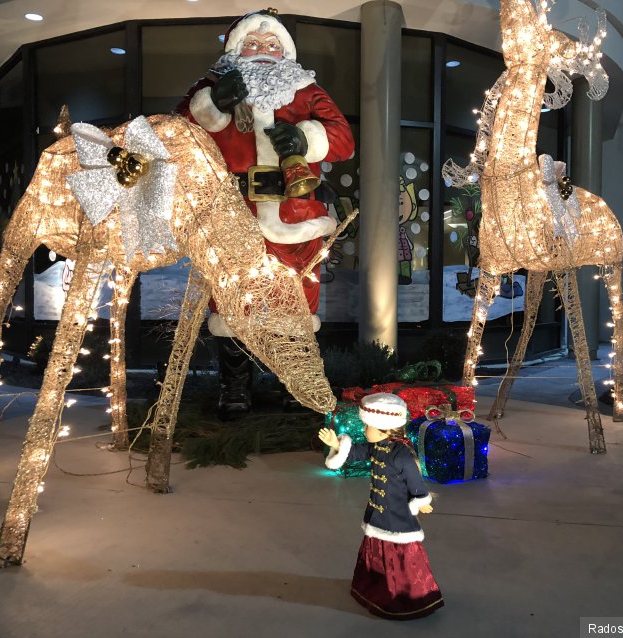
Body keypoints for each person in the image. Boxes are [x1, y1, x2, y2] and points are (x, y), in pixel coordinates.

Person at [176, 8, 354, 419]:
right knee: (232, 303)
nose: (263, 51)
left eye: (272, 45)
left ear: (285, 52)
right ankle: (235, 389)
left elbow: (344, 140)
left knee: (296, 303)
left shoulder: (306, 90)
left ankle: (297, 383)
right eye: (253, 44)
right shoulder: (213, 86)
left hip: (295, 213)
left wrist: (306, 136)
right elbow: (178, 133)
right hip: (233, 215)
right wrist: (212, 105)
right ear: (237, 49)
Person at [318, 393, 444, 620]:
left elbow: (415, 482)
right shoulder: (376, 446)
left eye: (368, 426)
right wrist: (337, 444)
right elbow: (356, 453)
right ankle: (375, 590)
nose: (365, 430)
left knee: (399, 558)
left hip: (397, 515)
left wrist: (422, 501)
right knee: (376, 553)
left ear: (384, 427)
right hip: (377, 514)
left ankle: (405, 598)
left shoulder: (402, 455)